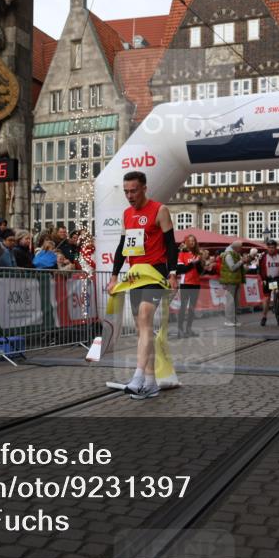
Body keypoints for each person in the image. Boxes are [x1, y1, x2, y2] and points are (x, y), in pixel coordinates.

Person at [106, 170, 178, 400]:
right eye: (126, 191)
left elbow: (171, 245)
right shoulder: (127, 214)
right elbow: (122, 247)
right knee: (142, 330)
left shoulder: (160, 210)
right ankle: (151, 382)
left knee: (145, 319)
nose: (129, 195)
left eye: (133, 191)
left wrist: (173, 274)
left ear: (144, 188)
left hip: (155, 273)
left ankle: (137, 376)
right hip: (135, 275)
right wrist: (115, 275)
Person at [176, 234, 203, 337]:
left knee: (192, 308)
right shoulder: (182, 254)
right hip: (185, 283)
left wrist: (199, 263)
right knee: (183, 307)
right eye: (190, 240)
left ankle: (189, 329)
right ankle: (180, 330)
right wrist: (192, 263)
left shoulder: (198, 254)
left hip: (196, 284)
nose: (192, 242)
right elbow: (181, 270)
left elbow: (200, 271)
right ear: (186, 242)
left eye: (193, 241)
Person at [258, 239, 279, 326]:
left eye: (273, 247)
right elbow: (260, 269)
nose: (271, 249)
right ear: (267, 248)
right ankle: (264, 317)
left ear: (276, 248)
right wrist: (263, 279)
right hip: (268, 279)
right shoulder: (263, 256)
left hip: (278, 278)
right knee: (266, 299)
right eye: (269, 247)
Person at [218, 240, 246, 327]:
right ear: (236, 248)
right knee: (230, 301)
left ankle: (234, 319)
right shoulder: (228, 255)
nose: (241, 249)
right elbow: (232, 268)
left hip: (235, 280)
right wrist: (241, 261)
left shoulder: (235, 254)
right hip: (230, 281)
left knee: (236, 301)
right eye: (240, 247)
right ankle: (228, 320)